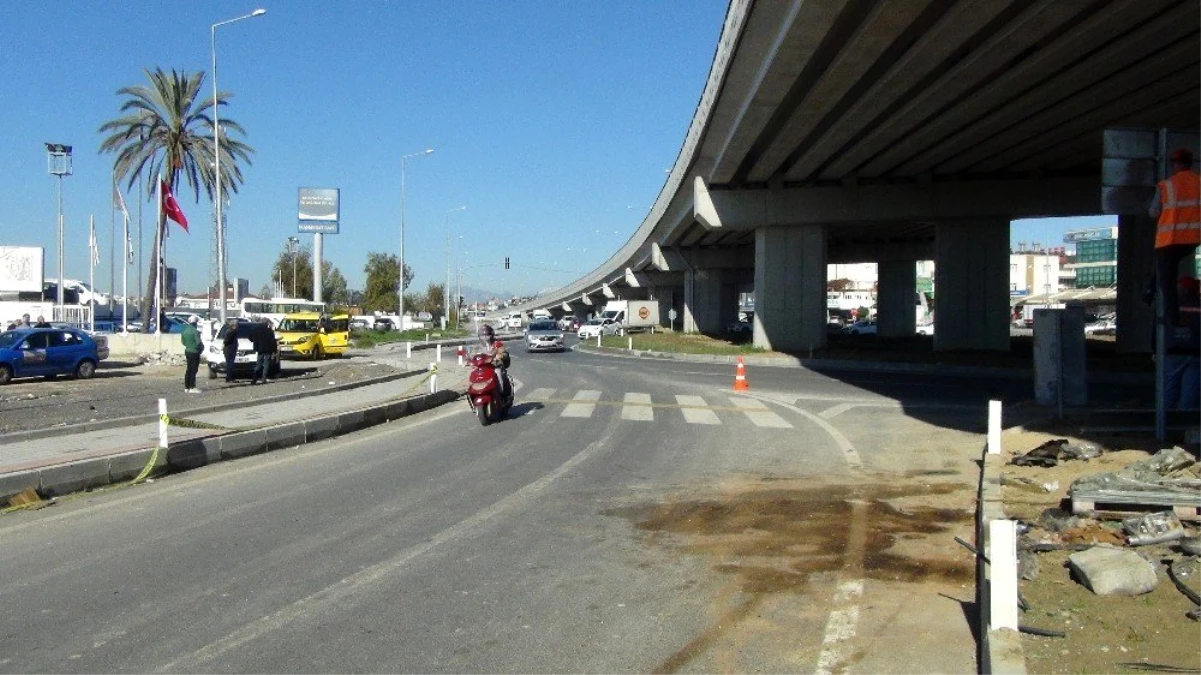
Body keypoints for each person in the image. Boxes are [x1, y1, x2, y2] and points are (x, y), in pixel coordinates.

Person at [1150, 148, 1201, 331]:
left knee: (1167, 280)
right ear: (1191, 163)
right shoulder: (1199, 182)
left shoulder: (1166, 185)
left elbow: (1153, 212)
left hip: (1168, 241)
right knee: (1165, 269)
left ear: (1175, 164)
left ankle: (1174, 319)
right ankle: (1149, 290)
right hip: (1192, 240)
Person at [1165, 276, 1201, 411]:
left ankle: (1166, 422)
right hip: (1196, 353)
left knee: (1169, 388)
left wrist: (1155, 350)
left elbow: (1158, 328)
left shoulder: (1170, 306)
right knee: (1190, 392)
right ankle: (1184, 424)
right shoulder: (1199, 304)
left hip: (1173, 352)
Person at [479, 324, 510, 398]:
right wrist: (467, 359)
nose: (485, 337)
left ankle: (501, 394)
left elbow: (503, 352)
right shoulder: (479, 346)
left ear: (491, 335)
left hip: (495, 366)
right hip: (484, 367)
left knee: (498, 374)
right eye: (482, 335)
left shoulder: (497, 344)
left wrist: (501, 355)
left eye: (487, 335)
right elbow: (473, 354)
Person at [250, 318, 278, 385]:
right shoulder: (269, 330)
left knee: (258, 363)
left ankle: (254, 379)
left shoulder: (256, 329)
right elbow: (273, 341)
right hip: (268, 349)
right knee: (266, 364)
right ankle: (263, 378)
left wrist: (255, 341)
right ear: (267, 323)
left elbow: (250, 337)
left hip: (259, 349)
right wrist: (275, 350)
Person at [180, 315, 203, 393]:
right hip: (195, 352)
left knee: (188, 369)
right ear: (195, 323)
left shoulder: (185, 331)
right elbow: (198, 343)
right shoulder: (195, 331)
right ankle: (192, 386)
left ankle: (187, 387)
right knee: (194, 370)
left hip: (187, 351)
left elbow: (183, 342)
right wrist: (201, 349)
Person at [222, 318, 240, 382]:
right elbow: (226, 340)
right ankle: (229, 377)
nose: (238, 325)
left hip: (230, 349)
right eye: (237, 324)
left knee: (230, 364)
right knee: (230, 364)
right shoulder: (231, 331)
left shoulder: (230, 330)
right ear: (234, 325)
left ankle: (230, 377)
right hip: (230, 349)